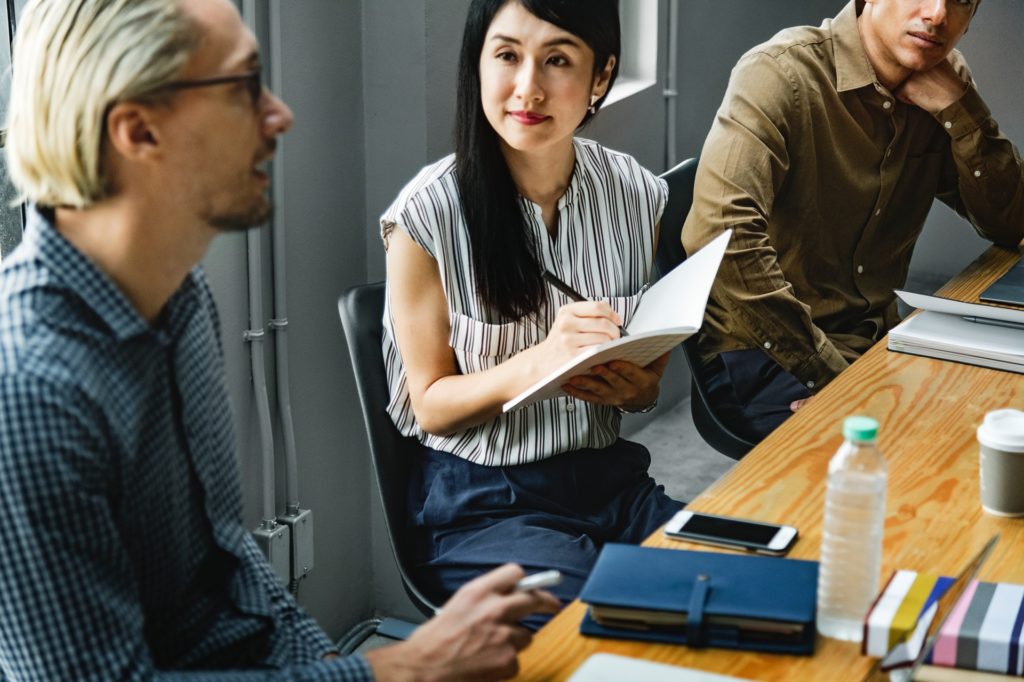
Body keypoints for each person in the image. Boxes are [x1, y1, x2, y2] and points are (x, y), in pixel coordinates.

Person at [0, 0, 558, 679]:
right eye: (243, 87)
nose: (280, 114)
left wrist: (324, 658)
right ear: (138, 130)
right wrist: (401, 669)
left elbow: (230, 560)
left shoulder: (177, 293)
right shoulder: (29, 392)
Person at [381, 0, 683, 623]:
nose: (528, 87)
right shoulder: (425, 216)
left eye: (558, 60)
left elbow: (644, 386)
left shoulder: (638, 195)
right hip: (482, 506)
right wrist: (543, 359)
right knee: (618, 619)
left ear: (600, 76)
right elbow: (428, 403)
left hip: (610, 481)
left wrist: (636, 389)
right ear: (479, 64)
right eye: (508, 55)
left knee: (728, 588)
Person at [681, 0, 1024, 443]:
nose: (938, 14)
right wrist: (834, 381)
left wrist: (962, 110)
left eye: (960, 1)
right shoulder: (780, 73)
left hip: (876, 337)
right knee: (920, 460)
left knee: (994, 415)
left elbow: (1010, 222)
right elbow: (721, 239)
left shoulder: (943, 81)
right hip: (769, 354)